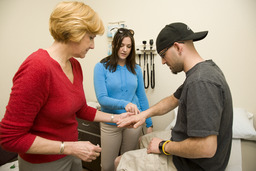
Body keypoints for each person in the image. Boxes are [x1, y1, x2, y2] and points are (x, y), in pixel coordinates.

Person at [0, 2, 130, 171]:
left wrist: (116, 118)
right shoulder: (37, 67)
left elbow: (81, 109)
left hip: (71, 153)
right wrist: (69, 147)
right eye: (90, 38)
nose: (93, 46)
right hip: (43, 163)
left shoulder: (74, 65)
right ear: (74, 32)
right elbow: (9, 138)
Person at [116, 22, 233, 171]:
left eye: (163, 55)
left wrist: (163, 146)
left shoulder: (201, 82)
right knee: (143, 140)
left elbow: (206, 148)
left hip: (190, 165)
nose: (163, 62)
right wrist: (144, 115)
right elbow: (172, 100)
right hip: (187, 154)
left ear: (178, 47)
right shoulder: (203, 71)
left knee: (120, 161)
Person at [94, 27, 153, 171]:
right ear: (114, 45)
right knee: (107, 165)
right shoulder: (101, 67)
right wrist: (125, 103)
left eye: (128, 46)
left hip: (133, 122)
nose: (124, 49)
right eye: (121, 45)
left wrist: (149, 124)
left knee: (127, 164)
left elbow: (141, 96)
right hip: (111, 122)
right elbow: (102, 99)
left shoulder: (136, 69)